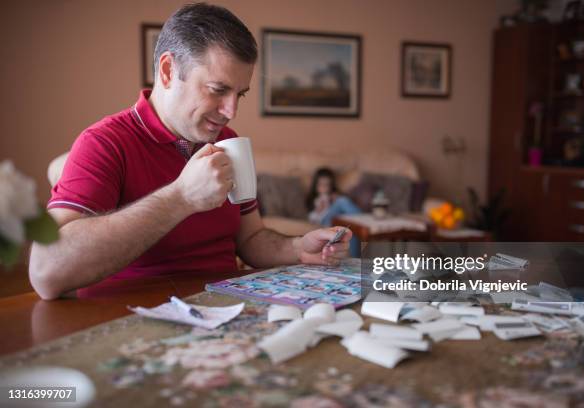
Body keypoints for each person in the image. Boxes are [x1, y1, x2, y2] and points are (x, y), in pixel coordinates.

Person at [28, 3, 351, 300]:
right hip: (136, 318)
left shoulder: (228, 140)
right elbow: (45, 273)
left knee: (381, 306)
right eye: (218, 90)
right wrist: (181, 198)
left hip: (230, 309)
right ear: (168, 71)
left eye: (240, 94)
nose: (230, 111)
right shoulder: (105, 143)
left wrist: (298, 248)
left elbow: (251, 241)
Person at [306, 168, 362, 256]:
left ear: (331, 186)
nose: (324, 187)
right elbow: (311, 219)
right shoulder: (316, 200)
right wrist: (318, 210)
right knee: (342, 201)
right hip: (325, 222)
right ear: (315, 186)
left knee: (352, 230)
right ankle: (362, 218)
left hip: (338, 222)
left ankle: (356, 260)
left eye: (327, 185)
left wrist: (334, 200)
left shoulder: (333, 197)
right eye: (321, 185)